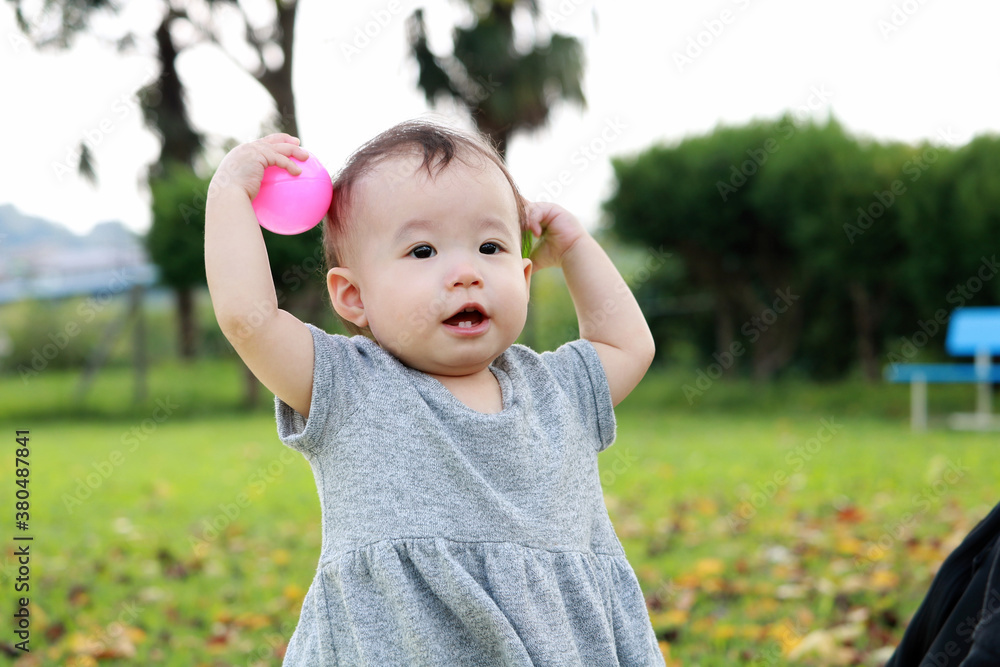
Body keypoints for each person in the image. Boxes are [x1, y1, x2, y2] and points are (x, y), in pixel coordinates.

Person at [205, 118, 663, 665]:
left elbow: (628, 345)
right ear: (353, 297)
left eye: (490, 246)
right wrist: (229, 192)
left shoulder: (554, 391)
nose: (466, 272)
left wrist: (577, 247)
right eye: (423, 252)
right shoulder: (349, 386)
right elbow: (248, 320)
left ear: (523, 274)